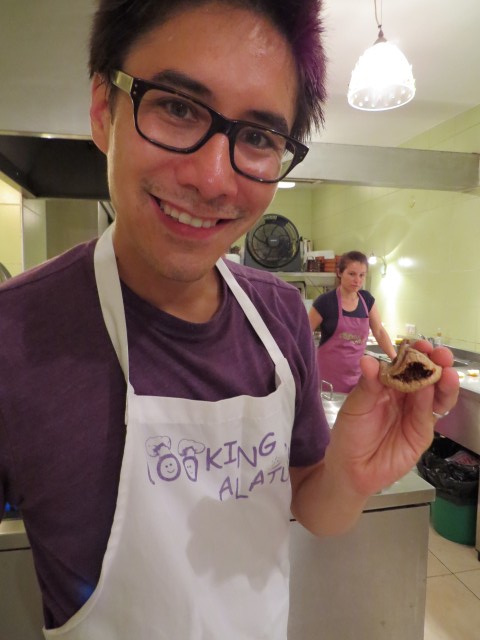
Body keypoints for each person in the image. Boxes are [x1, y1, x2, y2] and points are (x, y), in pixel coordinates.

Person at [0, 1, 459, 639]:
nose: (215, 180)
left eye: (260, 138)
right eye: (177, 107)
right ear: (104, 108)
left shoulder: (280, 316)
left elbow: (313, 505)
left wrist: (351, 477)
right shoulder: (14, 336)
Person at [309, 250, 397, 393]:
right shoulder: (325, 302)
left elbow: (379, 331)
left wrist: (396, 359)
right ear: (339, 272)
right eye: (352, 274)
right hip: (327, 377)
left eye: (362, 275)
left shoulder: (367, 300)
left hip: (356, 377)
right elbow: (304, 334)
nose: (357, 280)